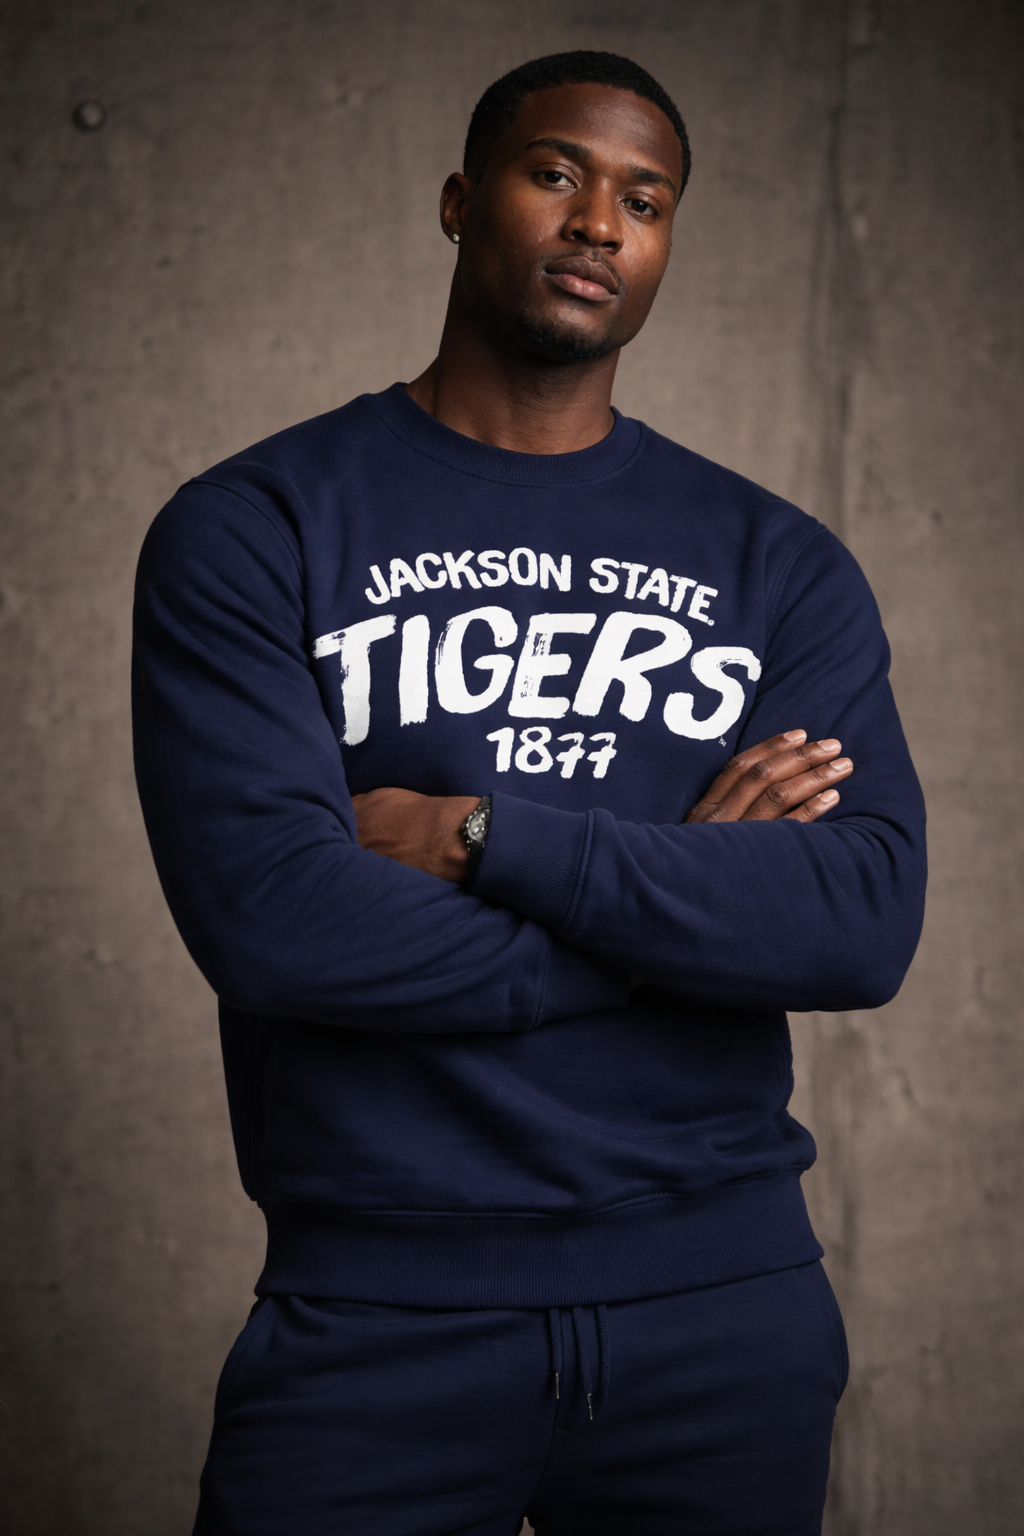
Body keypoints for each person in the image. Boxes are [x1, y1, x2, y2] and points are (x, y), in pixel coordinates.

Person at [132, 50, 926, 1536]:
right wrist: (683, 903)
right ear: (459, 200)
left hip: (726, 1318)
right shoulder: (255, 529)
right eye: (556, 172)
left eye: (646, 199)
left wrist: (484, 836)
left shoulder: (781, 563)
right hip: (377, 1320)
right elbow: (278, 923)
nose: (599, 224)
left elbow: (860, 925)